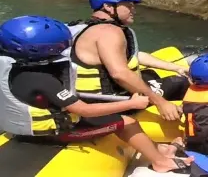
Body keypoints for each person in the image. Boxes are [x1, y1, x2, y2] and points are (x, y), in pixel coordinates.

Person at [0, 15, 192, 173]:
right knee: (127, 122)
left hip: (21, 128)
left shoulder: (14, 69)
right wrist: (131, 104)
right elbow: (84, 110)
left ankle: (156, 149)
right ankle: (161, 162)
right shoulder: (42, 80)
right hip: (53, 134)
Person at [68, 0, 189, 121]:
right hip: (108, 102)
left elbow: (133, 56)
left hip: (81, 97)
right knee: (179, 83)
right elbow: (120, 74)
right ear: (108, 6)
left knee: (150, 75)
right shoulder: (109, 32)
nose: (133, 11)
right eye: (128, 6)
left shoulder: (82, 27)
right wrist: (161, 103)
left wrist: (176, 67)